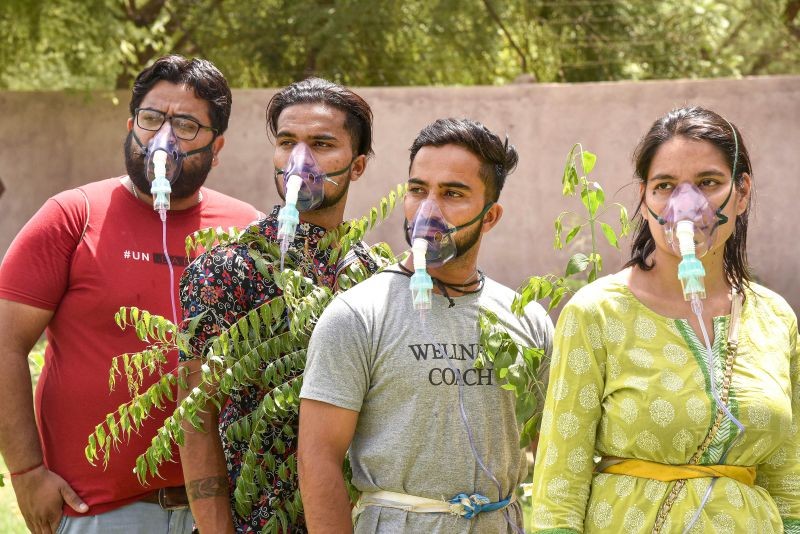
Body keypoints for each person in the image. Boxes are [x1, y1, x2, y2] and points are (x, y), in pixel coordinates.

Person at [0, 55, 263, 534]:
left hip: (223, 511)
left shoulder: (244, 230)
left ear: (216, 145)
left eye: (185, 124)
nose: (162, 139)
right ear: (131, 125)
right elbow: (4, 343)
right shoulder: (72, 217)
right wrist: (26, 472)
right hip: (99, 511)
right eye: (151, 119)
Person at [530, 106, 799, 533]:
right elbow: (561, 473)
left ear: (742, 192)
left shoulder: (774, 317)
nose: (685, 205)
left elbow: (788, 475)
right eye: (665, 186)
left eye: (708, 183)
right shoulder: (597, 311)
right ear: (645, 197)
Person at [298, 118, 554, 533]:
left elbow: (552, 450)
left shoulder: (528, 318)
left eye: (452, 193)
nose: (428, 210)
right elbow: (318, 459)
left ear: (490, 217)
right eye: (418, 190)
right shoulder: (358, 315)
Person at [178, 77, 377, 533]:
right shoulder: (223, 270)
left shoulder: (372, 276)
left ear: (358, 164)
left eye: (322, 144)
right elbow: (196, 416)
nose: (299, 161)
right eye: (288, 142)